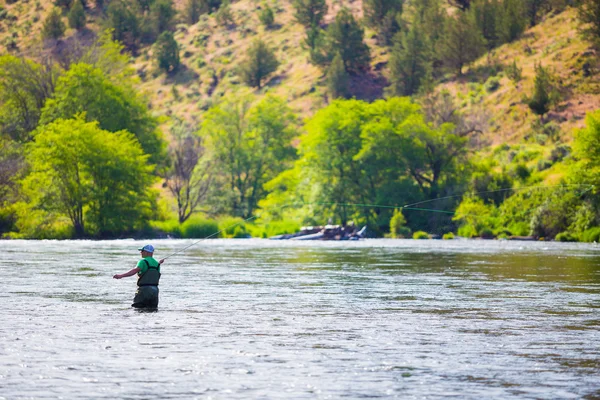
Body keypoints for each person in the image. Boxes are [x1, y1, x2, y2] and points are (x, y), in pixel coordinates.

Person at [113, 244, 165, 309]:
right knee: (152, 310)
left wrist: (121, 275)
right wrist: (159, 263)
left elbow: (134, 271)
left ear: (146, 252)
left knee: (137, 309)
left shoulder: (142, 262)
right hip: (155, 291)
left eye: (142, 251)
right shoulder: (157, 264)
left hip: (144, 291)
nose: (141, 252)